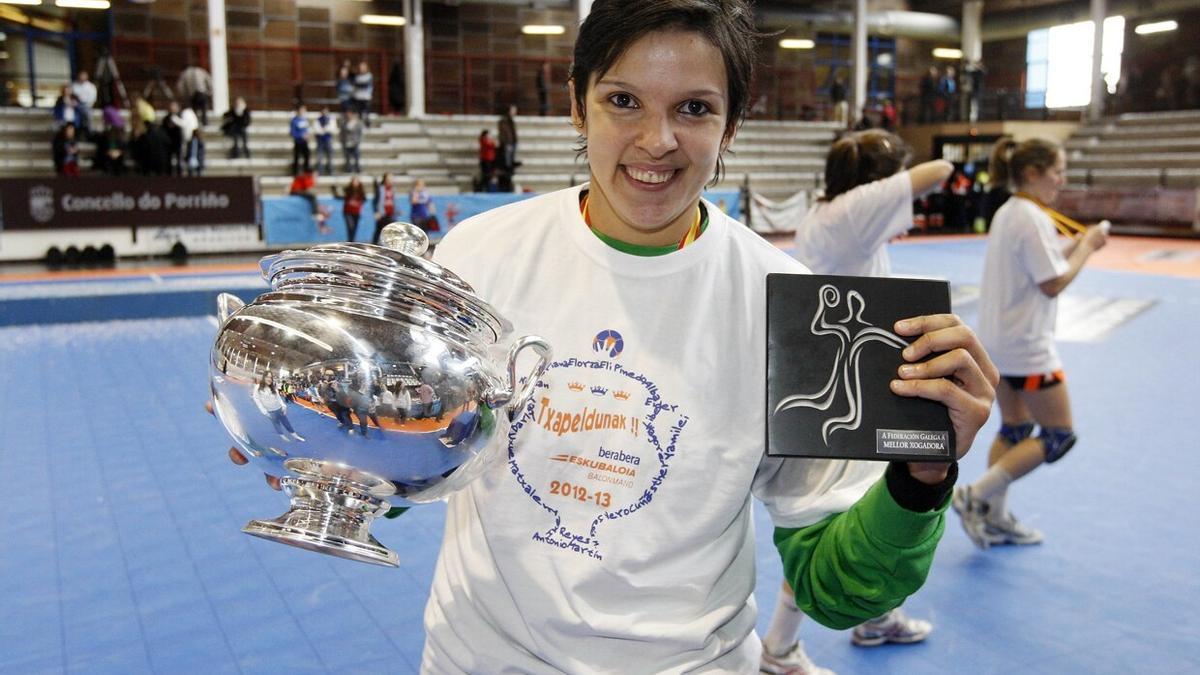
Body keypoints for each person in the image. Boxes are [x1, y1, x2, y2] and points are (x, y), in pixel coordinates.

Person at [215, 3, 997, 671]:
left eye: (694, 108)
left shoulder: (785, 307)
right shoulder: (476, 259)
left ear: (732, 124)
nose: (657, 140)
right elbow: (414, 456)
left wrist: (919, 480)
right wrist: (330, 441)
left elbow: (834, 587)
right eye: (624, 100)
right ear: (575, 103)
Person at [773, 129, 953, 670]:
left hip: (849, 382)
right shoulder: (854, 212)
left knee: (862, 510)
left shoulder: (830, 216)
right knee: (833, 519)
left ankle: (875, 621)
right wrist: (899, 172)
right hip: (842, 391)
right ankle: (779, 647)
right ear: (878, 181)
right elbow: (940, 172)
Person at [953, 138, 1107, 550]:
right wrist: (1088, 248)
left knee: (1017, 428)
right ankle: (976, 494)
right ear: (1034, 172)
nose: (1062, 179)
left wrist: (1076, 243)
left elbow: (1044, 258)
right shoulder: (1032, 218)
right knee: (1058, 434)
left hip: (1000, 343)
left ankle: (995, 515)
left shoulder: (1012, 212)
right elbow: (1053, 280)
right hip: (1028, 349)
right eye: (1057, 170)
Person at [253, 372, 305, 442]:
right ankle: (282, 435)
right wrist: (263, 411)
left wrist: (283, 406)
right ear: (264, 377)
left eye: (271, 377)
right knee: (276, 424)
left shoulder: (273, 387)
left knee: (286, 423)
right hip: (270, 411)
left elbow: (278, 398)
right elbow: (256, 399)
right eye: (268, 377)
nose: (269, 379)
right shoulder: (257, 387)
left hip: (279, 409)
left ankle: (295, 436)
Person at [289, 169, 329, 234]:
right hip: (295, 191)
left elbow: (307, 188)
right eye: (315, 174)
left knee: (311, 195)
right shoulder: (305, 177)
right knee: (313, 196)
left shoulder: (305, 176)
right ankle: (315, 213)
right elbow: (308, 186)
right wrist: (314, 179)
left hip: (297, 190)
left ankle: (315, 213)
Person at [334, 175, 367, 242]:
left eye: (356, 181)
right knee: (350, 227)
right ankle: (350, 241)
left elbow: (364, 199)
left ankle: (352, 241)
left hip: (357, 212)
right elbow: (339, 196)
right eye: (354, 181)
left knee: (354, 228)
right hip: (348, 212)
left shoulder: (361, 191)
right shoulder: (348, 189)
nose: (355, 183)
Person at [371, 172, 397, 244]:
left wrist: (396, 210)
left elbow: (393, 200)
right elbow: (375, 201)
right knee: (378, 230)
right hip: (382, 213)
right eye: (389, 178)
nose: (391, 180)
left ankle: (390, 246)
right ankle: (374, 245)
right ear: (385, 179)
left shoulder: (392, 188)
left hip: (390, 213)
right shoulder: (380, 188)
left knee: (391, 231)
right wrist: (376, 211)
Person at [70, 71, 97, 138]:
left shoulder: (91, 86)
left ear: (86, 77)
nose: (82, 77)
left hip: (86, 106)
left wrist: (87, 104)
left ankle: (89, 132)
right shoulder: (74, 85)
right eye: (81, 75)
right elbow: (71, 96)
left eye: (83, 76)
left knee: (87, 114)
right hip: (75, 106)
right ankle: (76, 133)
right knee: (75, 117)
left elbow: (92, 98)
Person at [314, 106, 337, 175]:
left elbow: (333, 129)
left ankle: (330, 170)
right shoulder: (317, 120)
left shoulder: (331, 119)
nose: (324, 112)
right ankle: (320, 170)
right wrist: (324, 130)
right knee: (320, 156)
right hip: (320, 140)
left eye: (326, 111)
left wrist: (325, 129)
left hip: (328, 139)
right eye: (323, 111)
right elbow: (316, 130)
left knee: (330, 156)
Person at [290, 104, 312, 176]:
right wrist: (301, 136)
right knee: (297, 157)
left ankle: (306, 171)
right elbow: (292, 133)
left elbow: (307, 130)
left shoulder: (305, 120)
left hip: (305, 142)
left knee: (307, 156)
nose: (303, 111)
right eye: (302, 109)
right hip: (298, 142)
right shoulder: (294, 120)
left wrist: (308, 135)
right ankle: (295, 172)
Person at [498, 103, 519, 178]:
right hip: (508, 143)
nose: (515, 112)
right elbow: (503, 133)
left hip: (513, 142)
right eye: (513, 110)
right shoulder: (503, 121)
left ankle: (510, 171)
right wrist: (506, 143)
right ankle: (507, 173)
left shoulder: (511, 120)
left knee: (511, 158)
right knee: (507, 160)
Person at [340, 108, 363, 174]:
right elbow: (341, 133)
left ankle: (357, 169)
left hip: (354, 143)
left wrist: (357, 141)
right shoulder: (344, 123)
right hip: (346, 143)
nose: (348, 115)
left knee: (356, 157)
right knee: (347, 157)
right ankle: (348, 169)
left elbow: (360, 134)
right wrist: (342, 141)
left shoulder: (357, 123)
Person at [353, 59, 374, 127]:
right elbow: (355, 85)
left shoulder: (369, 75)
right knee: (359, 113)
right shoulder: (357, 76)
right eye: (361, 67)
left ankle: (367, 124)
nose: (362, 69)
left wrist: (360, 85)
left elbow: (365, 84)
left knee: (366, 112)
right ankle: (360, 126)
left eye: (363, 67)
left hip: (366, 97)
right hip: (358, 97)